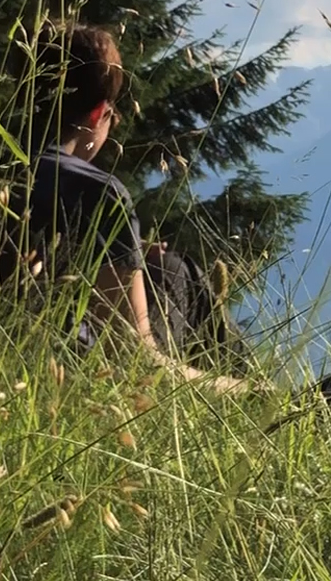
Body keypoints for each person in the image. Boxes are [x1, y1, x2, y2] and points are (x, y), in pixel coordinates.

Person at [23, 22, 248, 392]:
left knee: (163, 266)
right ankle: (263, 402)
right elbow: (133, 357)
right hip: (72, 372)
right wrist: (247, 392)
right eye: (113, 112)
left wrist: (130, 255)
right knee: (179, 271)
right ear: (98, 113)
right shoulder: (97, 192)